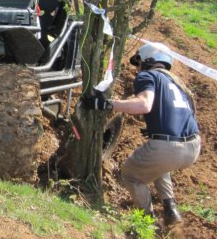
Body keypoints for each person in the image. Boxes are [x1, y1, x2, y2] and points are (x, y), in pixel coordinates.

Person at [82, 44, 201, 227]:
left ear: (148, 60)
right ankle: (170, 208)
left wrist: (106, 104)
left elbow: (144, 105)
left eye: (138, 63)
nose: (137, 68)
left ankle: (147, 222)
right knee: (159, 165)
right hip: (193, 146)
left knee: (130, 175)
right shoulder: (175, 81)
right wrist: (159, 127)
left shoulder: (147, 76)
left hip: (168, 149)